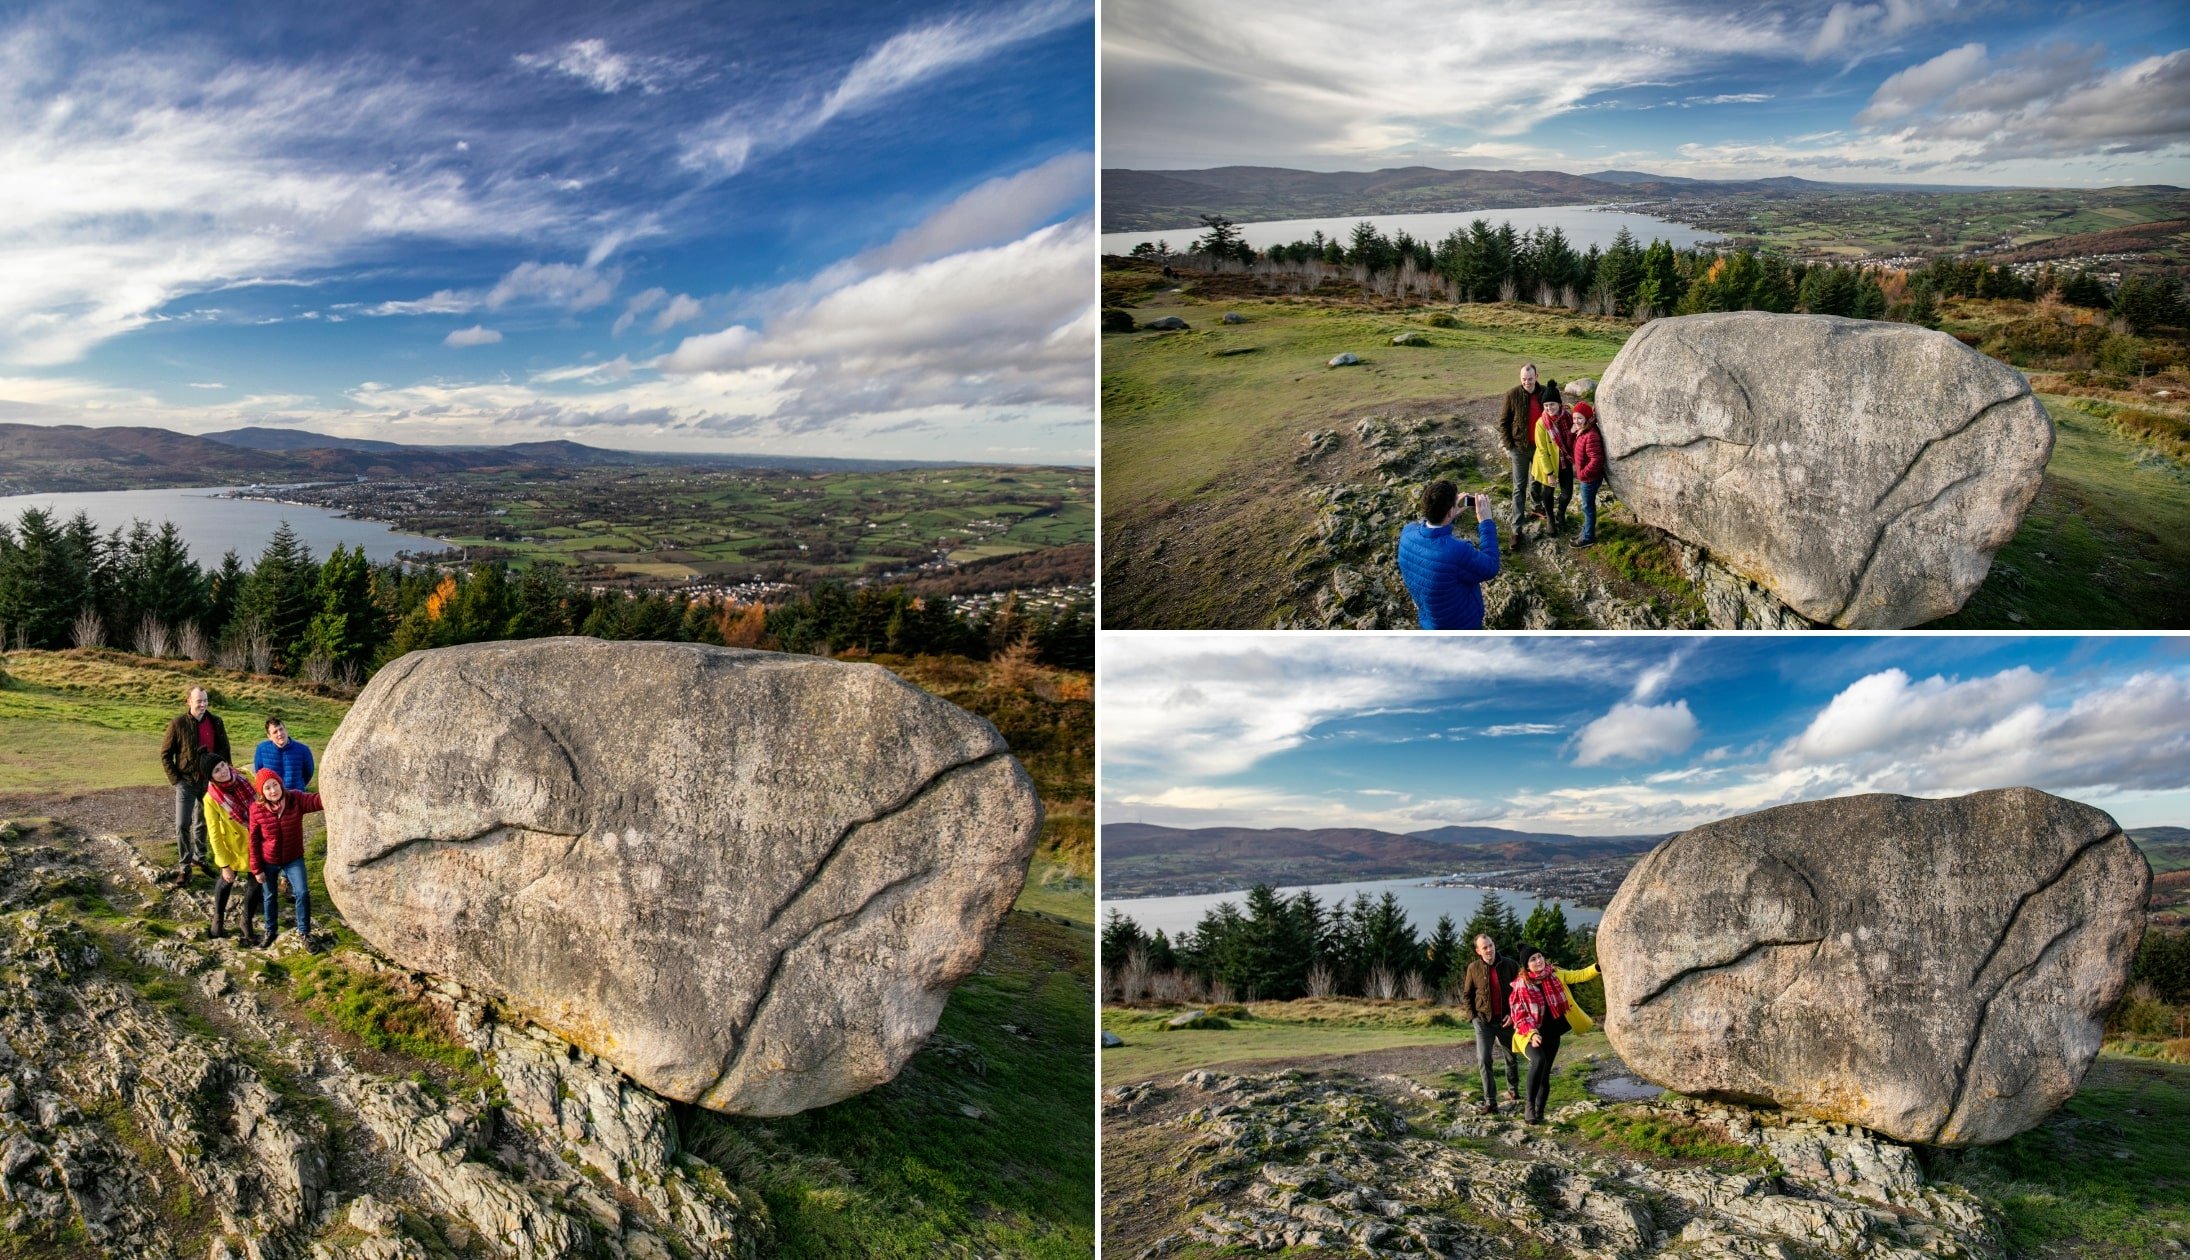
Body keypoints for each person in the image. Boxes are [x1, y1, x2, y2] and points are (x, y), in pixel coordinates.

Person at [1508, 950, 1601, 1124]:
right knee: (1538, 1061)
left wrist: (1597, 967)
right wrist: (1533, 1033)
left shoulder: (1555, 975)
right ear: (1526, 966)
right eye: (1533, 959)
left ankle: (1539, 1112)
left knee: (1544, 1075)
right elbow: (1519, 1015)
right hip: (1528, 1033)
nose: (1538, 961)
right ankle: (1529, 1107)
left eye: (1540, 956)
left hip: (1551, 1034)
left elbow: (1578, 975)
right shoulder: (1521, 985)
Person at [1396, 479, 1500, 630]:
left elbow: (1429, 526)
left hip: (1429, 622)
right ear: (1450, 511)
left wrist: (1449, 514)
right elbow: (1491, 567)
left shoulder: (1407, 532)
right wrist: (1486, 522)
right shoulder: (1457, 551)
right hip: (1462, 625)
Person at [158, 686, 229, 886]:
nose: (203, 705)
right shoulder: (177, 724)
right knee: (182, 825)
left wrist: (224, 777)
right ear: (188, 701)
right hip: (186, 782)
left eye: (205, 701)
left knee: (204, 822)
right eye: (199, 701)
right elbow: (165, 754)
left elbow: (224, 750)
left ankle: (200, 857)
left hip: (209, 783)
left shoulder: (216, 722)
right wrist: (176, 780)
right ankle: (184, 867)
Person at [247, 767, 324, 950]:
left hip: (293, 858)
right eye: (267, 788)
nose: (273, 790)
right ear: (262, 792)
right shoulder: (256, 809)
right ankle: (270, 930)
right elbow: (254, 840)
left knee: (302, 892)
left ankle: (304, 932)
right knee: (270, 896)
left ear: (281, 784)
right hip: (268, 860)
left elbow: (317, 801)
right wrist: (256, 869)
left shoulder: (295, 799)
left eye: (275, 785)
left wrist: (334, 789)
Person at [1497, 364, 1560, 545]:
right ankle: (1516, 530)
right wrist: (1510, 446)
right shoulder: (1512, 395)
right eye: (1524, 379)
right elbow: (1503, 422)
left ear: (1536, 376)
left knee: (1538, 479)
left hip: (1540, 448)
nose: (1527, 382)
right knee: (1519, 487)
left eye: (1530, 379)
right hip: (1519, 448)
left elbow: (1555, 411)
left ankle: (1536, 505)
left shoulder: (1544, 393)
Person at [1460, 933, 1522, 1115]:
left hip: (1506, 1021)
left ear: (1494, 944)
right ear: (1478, 951)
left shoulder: (1510, 964)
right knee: (1484, 1058)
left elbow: (1519, 993)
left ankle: (1513, 1091)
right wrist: (1473, 1017)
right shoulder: (1473, 968)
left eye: (1491, 945)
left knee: (1511, 1057)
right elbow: (1467, 995)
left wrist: (1513, 1014)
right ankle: (1491, 1101)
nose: (1489, 950)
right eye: (1484, 947)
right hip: (1483, 1022)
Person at [198, 756, 259, 941]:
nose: (223, 771)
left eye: (223, 765)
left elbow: (262, 801)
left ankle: (246, 921)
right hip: (232, 846)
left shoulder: (245, 776)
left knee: (256, 881)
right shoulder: (211, 798)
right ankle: (218, 918)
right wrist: (224, 864)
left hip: (257, 837)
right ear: (211, 777)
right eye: (217, 770)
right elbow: (214, 833)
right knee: (226, 881)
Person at [1571, 399, 1607, 548]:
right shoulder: (1583, 431)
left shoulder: (1590, 434)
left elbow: (1597, 458)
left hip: (1589, 478)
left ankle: (1588, 537)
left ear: (1586, 418)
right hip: (1586, 477)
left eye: (1580, 418)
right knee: (1587, 507)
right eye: (1574, 418)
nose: (1577, 421)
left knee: (1587, 508)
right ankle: (1586, 531)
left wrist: (1584, 473)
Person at [1529, 397, 1566, 528]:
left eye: (1552, 404)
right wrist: (1550, 473)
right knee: (1548, 492)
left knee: (1567, 494)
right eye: (1545, 405)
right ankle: (1550, 518)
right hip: (1547, 463)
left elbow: (1580, 413)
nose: (1549, 408)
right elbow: (1542, 450)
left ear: (1560, 404)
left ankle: (1560, 514)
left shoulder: (1567, 415)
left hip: (1564, 461)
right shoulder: (1541, 423)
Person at [254, 715, 315, 792]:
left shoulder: (303, 749)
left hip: (296, 796)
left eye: (281, 729)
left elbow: (308, 773)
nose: (280, 733)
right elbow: (260, 773)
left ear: (286, 730)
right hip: (273, 796)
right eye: (275, 732)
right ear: (269, 736)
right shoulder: (262, 749)